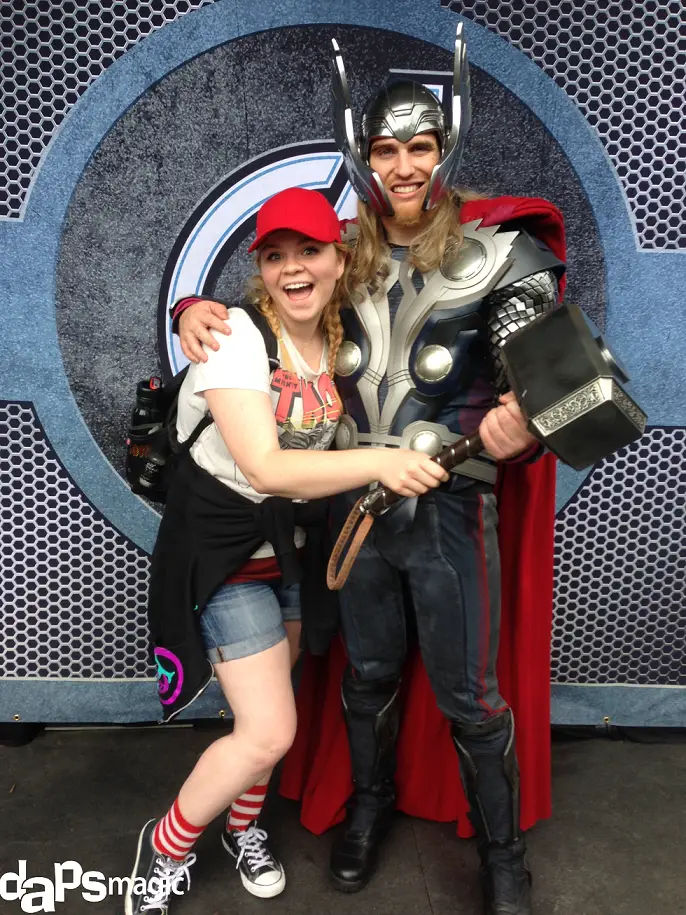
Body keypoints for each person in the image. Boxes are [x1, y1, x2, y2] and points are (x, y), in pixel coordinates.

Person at [171, 27, 566, 915]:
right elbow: (272, 303)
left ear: (446, 148)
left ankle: (504, 857)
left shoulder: (503, 253)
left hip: (450, 506)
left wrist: (524, 428)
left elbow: (555, 384)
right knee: (368, 673)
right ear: (364, 156)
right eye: (386, 149)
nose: (404, 166)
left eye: (420, 147)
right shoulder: (340, 253)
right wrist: (195, 305)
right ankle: (368, 804)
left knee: (471, 697)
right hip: (353, 509)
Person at [125, 186, 449, 915]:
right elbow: (267, 468)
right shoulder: (237, 335)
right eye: (276, 256)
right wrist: (382, 464)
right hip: (226, 550)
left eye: (309, 250)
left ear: (340, 258)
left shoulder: (343, 334)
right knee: (269, 730)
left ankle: (243, 829)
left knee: (273, 719)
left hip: (294, 548)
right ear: (261, 270)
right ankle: (164, 846)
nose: (293, 267)